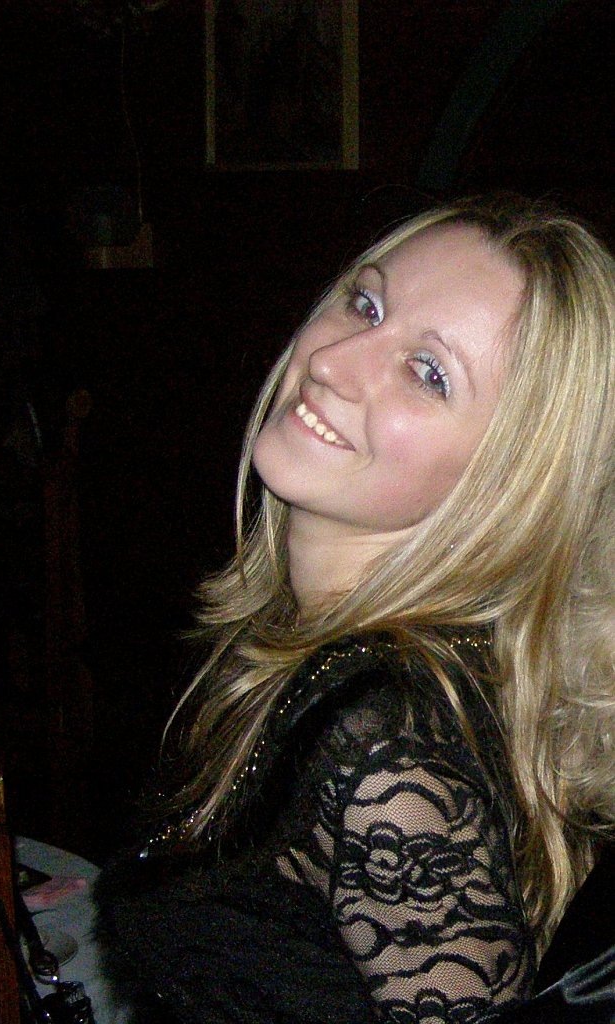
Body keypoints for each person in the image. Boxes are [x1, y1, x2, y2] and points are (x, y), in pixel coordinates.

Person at [94, 194, 614, 1023]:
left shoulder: (382, 744)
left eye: (428, 372)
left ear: (508, 481)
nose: (335, 362)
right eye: (365, 304)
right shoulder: (304, 643)